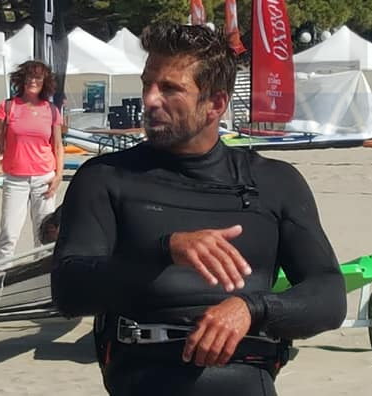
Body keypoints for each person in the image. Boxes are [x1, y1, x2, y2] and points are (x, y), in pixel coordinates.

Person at [51, 24, 347, 396]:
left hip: (246, 380)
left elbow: (329, 295)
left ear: (216, 104)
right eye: (147, 84)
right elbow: (69, 289)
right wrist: (165, 249)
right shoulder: (106, 178)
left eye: (170, 89)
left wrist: (252, 309)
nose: (150, 100)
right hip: (146, 379)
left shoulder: (274, 182)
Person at [0, 60, 65, 262]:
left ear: (45, 82)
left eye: (38, 77)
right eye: (30, 76)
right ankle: (0, 275)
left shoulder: (52, 110)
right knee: (8, 234)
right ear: (22, 79)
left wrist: (59, 175)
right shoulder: (8, 107)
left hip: (44, 177)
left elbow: (58, 146)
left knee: (44, 236)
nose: (33, 81)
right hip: (15, 179)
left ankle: (41, 276)